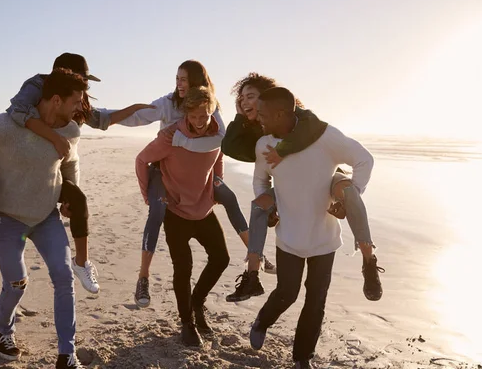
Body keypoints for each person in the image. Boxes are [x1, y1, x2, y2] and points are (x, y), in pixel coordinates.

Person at [0, 53, 152, 303]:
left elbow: (102, 120)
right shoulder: (35, 87)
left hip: (50, 175)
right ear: (64, 77)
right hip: (3, 171)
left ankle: (82, 263)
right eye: (82, 78)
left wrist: (135, 108)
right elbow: (17, 112)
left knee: (78, 196)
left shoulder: (74, 103)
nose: (85, 87)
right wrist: (55, 138)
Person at [0, 68, 88, 368]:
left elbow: (71, 163)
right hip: (8, 217)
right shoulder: (5, 126)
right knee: (16, 283)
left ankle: (68, 354)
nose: (80, 106)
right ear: (55, 99)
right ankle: (5, 333)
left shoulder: (71, 131)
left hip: (46, 216)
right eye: (76, 100)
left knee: (64, 278)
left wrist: (68, 196)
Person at [110, 60, 274, 309]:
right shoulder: (169, 111)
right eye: (177, 79)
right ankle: (143, 277)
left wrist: (217, 177)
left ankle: (256, 254)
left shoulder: (213, 113)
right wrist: (105, 118)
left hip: (200, 183)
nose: (178, 84)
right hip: (163, 173)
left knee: (228, 198)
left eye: (183, 79)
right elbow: (140, 128)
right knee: (156, 211)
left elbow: (218, 146)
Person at [222, 73, 383, 303]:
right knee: (259, 206)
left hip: (324, 179)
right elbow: (230, 147)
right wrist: (240, 116)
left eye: (251, 97)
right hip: (288, 187)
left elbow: (310, 130)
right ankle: (252, 276)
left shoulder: (300, 119)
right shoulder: (260, 132)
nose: (247, 103)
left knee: (348, 191)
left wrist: (283, 150)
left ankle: (369, 260)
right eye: (242, 99)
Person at [247, 87, 374, 368]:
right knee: (286, 293)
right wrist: (269, 206)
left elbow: (364, 159)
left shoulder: (325, 137)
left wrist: (353, 196)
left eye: (264, 115)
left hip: (324, 239)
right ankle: (262, 322)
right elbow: (260, 180)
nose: (260, 120)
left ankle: (302, 358)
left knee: (316, 300)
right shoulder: (264, 145)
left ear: (281, 114)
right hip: (289, 237)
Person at [135, 86, 229, 346]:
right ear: (186, 113)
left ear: (212, 112)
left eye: (205, 115)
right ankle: (187, 323)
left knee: (221, 258)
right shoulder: (170, 136)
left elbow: (218, 156)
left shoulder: (217, 134)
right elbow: (142, 160)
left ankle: (196, 304)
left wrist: (216, 185)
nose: (200, 121)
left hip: (203, 208)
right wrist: (149, 198)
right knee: (183, 268)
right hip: (176, 212)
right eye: (195, 116)